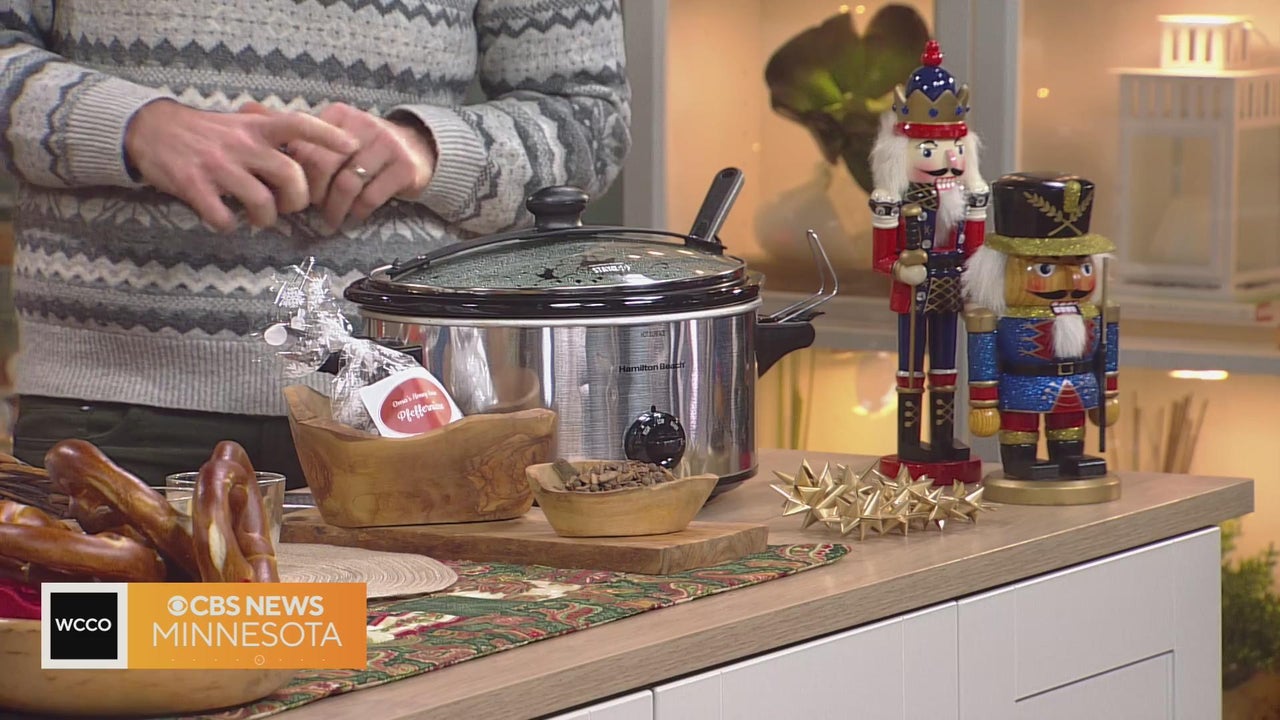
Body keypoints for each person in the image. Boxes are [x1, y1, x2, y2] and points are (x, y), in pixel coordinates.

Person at [0, 0, 632, 488]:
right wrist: (133, 127)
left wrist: (432, 149)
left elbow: (590, 118)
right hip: (108, 415)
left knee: (419, 628)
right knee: (91, 627)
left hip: (408, 413)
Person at [866, 39, 988, 485]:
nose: (948, 161)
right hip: (914, 290)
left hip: (951, 286)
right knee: (910, 367)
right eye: (931, 150)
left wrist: (977, 282)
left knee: (946, 365)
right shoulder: (893, 203)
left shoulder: (966, 198)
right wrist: (901, 268)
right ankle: (908, 440)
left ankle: (942, 438)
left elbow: (976, 249)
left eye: (955, 150)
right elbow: (881, 256)